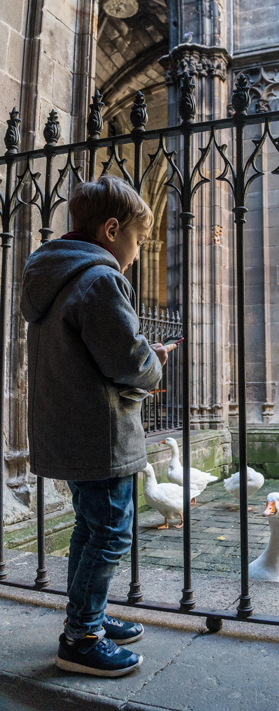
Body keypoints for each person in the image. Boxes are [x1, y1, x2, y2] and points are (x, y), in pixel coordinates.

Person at [21, 175, 175, 677]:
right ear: (112, 230)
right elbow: (126, 360)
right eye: (138, 239)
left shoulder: (55, 276)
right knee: (109, 533)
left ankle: (88, 616)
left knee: (90, 530)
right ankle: (82, 638)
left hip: (70, 428)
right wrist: (154, 363)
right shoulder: (100, 278)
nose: (137, 251)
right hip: (101, 434)